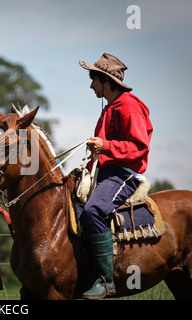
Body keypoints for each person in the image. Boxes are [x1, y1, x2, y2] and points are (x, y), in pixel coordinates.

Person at [78, 53, 153, 299]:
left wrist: (106, 147)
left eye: (94, 80)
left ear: (106, 81)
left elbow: (140, 147)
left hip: (125, 173)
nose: (91, 85)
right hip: (105, 171)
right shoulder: (110, 108)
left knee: (93, 211)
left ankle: (106, 280)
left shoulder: (129, 106)